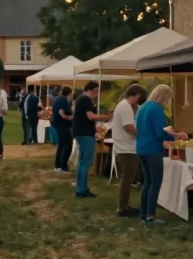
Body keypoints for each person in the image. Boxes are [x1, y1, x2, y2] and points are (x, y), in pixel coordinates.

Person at [136, 84, 181, 223]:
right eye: (167, 98)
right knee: (155, 183)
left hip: (141, 148)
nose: (167, 101)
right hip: (153, 150)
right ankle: (151, 215)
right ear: (163, 96)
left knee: (147, 183)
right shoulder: (156, 109)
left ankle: (143, 214)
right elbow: (159, 133)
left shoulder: (143, 107)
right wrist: (175, 137)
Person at [111, 84, 147, 217]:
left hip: (124, 147)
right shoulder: (125, 107)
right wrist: (144, 134)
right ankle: (122, 208)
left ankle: (125, 205)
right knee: (127, 178)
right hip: (126, 148)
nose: (138, 104)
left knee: (127, 178)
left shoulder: (123, 105)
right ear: (137, 96)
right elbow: (129, 127)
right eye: (139, 100)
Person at [72, 82, 111, 198]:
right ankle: (81, 190)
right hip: (85, 134)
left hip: (82, 132)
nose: (97, 93)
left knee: (82, 161)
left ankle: (80, 187)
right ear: (93, 89)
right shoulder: (85, 99)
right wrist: (107, 117)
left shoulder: (81, 99)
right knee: (85, 162)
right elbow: (91, 116)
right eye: (97, 90)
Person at [52, 86, 74, 173]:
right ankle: (63, 166)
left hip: (58, 125)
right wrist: (71, 117)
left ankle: (57, 166)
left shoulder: (57, 98)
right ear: (69, 93)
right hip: (63, 125)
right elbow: (61, 113)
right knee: (67, 146)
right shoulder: (62, 100)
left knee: (61, 145)